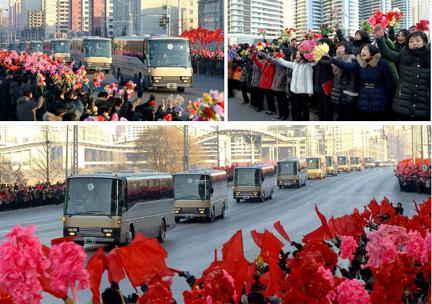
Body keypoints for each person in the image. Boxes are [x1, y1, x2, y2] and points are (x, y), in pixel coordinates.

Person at [328, 43, 395, 120]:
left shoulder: (383, 63)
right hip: (363, 95)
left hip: (379, 96)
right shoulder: (359, 63)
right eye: (362, 50)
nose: (363, 51)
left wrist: (389, 99)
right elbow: (349, 66)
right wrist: (335, 61)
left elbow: (390, 83)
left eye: (365, 50)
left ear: (373, 51)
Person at [375, 28, 430, 120]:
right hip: (402, 103)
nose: (414, 43)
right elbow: (386, 53)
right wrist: (380, 38)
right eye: (411, 41)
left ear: (424, 43)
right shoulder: (403, 55)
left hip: (424, 105)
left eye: (418, 40)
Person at [266, 48, 313, 120]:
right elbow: (286, 63)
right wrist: (278, 58)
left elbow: (309, 79)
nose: (297, 56)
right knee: (296, 108)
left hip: (303, 92)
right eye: (296, 54)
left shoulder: (308, 65)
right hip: (294, 90)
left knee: (304, 109)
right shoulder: (295, 64)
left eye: (298, 54)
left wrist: (310, 90)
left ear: (303, 55)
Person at [318, 41, 357, 120]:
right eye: (338, 47)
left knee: (348, 115)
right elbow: (325, 63)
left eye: (341, 47)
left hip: (347, 91)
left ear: (347, 49)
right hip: (337, 91)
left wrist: (330, 58)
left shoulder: (351, 58)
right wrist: (314, 59)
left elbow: (347, 68)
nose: (339, 49)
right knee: (340, 114)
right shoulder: (335, 58)